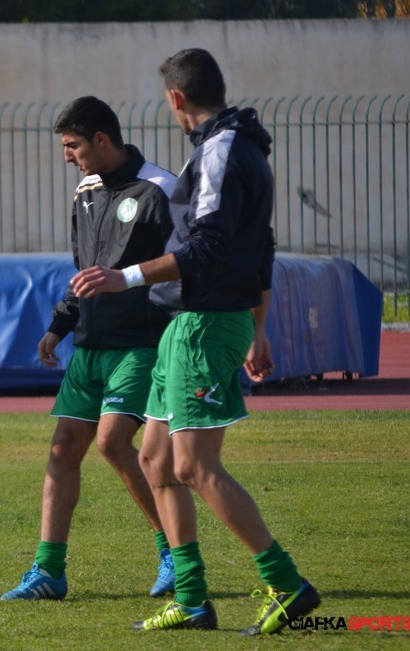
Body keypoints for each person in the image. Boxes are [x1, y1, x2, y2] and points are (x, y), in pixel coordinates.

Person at [70, 49, 320, 634]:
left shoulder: (221, 150)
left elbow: (208, 246)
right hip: (188, 325)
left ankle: (287, 584)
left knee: (194, 466)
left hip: (204, 324)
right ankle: (191, 599)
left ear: (176, 98)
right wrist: (258, 329)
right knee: (155, 460)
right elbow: (262, 247)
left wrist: (125, 276)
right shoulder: (238, 146)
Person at [0, 97, 178, 602]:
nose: (67, 156)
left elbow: (187, 266)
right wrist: (59, 325)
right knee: (62, 449)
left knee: (112, 442)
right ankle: (49, 571)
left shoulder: (159, 190)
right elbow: (86, 270)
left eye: (72, 145)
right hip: (90, 345)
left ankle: (173, 552)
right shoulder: (86, 192)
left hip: (141, 344)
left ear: (101, 140)